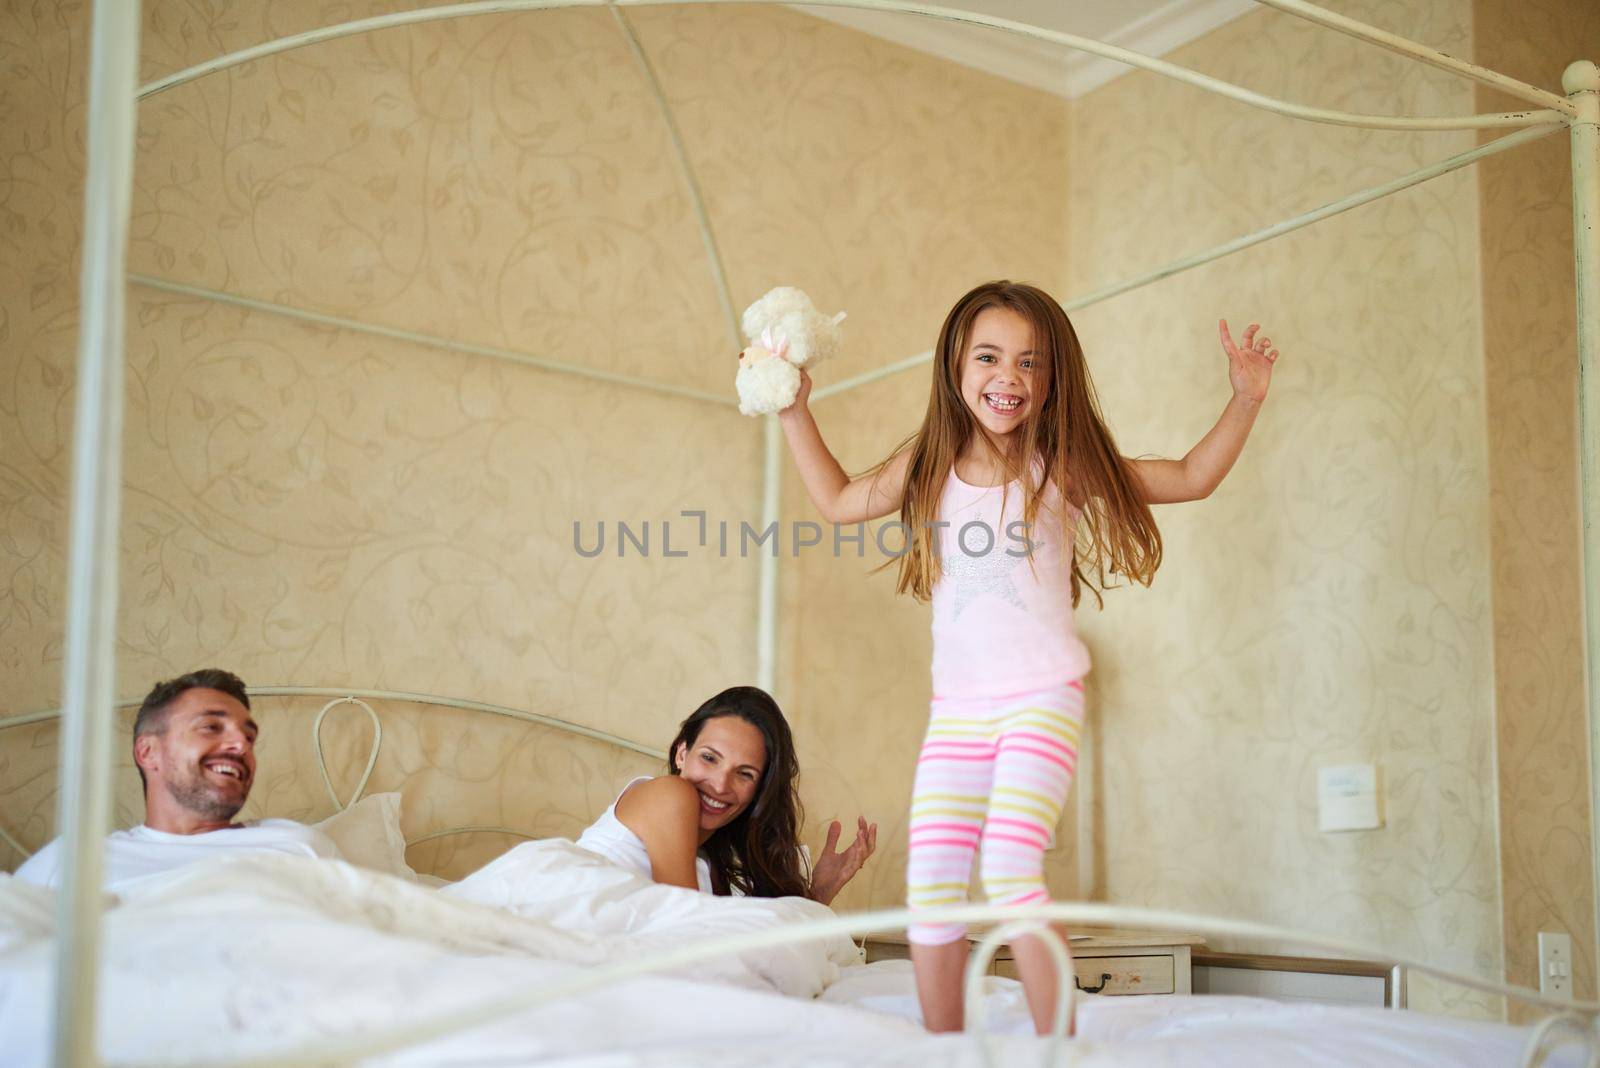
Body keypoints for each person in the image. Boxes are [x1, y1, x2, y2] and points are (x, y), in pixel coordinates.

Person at [775, 280, 1281, 1033]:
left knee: (1012, 869)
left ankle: (1058, 1045)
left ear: (1051, 380)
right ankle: (944, 1046)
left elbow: (1189, 478)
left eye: (1029, 363)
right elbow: (841, 500)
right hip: (958, 710)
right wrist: (792, 408)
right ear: (955, 366)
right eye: (989, 358)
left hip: (1042, 695)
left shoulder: (1062, 463)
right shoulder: (930, 463)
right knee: (934, 883)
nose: (1008, 379)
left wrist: (1244, 398)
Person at [14, 668, 339, 893]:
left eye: (249, 736)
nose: (241, 745)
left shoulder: (298, 844)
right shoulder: (71, 862)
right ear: (148, 752)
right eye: (211, 727)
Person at [576, 686, 876, 906]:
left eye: (744, 773)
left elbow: (728, 949)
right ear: (682, 753)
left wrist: (819, 893)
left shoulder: (710, 863)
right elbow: (685, 931)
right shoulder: (670, 794)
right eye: (709, 758)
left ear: (760, 788)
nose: (720, 785)